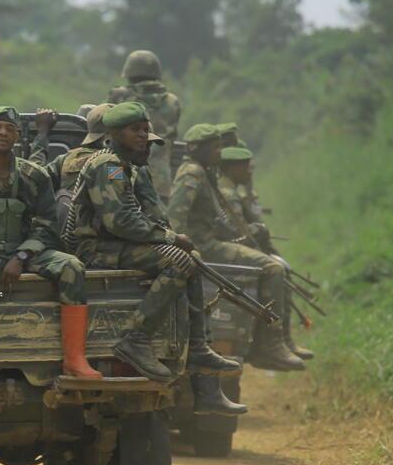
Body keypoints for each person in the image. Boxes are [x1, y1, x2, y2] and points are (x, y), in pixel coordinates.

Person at [68, 102, 244, 415]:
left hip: (116, 245)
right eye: (136, 130)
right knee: (177, 261)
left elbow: (153, 215)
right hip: (95, 249)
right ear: (115, 132)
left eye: (145, 130)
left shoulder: (129, 166)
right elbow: (119, 221)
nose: (143, 137)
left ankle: (199, 349)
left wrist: (173, 238)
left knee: (189, 259)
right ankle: (136, 339)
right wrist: (170, 239)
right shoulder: (107, 165)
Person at [0, 105, 102, 387]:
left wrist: (22, 256)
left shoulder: (33, 175)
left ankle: (75, 359)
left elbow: (47, 223)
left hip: (24, 250)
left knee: (72, 267)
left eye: (10, 129)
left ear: (16, 137)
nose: (3, 132)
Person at [168, 124, 305, 371]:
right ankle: (271, 346)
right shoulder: (192, 173)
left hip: (209, 243)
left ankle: (274, 342)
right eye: (215, 147)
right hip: (204, 247)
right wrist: (183, 249)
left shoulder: (203, 172)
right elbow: (176, 217)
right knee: (273, 268)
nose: (220, 152)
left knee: (273, 265)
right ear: (199, 149)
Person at [217, 145, 314, 361]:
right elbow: (235, 232)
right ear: (232, 168)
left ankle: (281, 340)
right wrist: (258, 231)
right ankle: (271, 342)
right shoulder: (227, 193)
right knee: (275, 269)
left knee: (280, 267)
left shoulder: (229, 190)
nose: (250, 171)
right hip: (221, 250)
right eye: (245, 167)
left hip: (227, 247)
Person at [108, 50, 182, 202]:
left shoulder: (120, 96)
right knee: (157, 220)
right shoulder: (172, 101)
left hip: (121, 173)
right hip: (160, 178)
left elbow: (106, 128)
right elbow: (172, 140)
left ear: (129, 73)